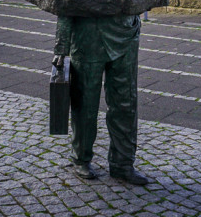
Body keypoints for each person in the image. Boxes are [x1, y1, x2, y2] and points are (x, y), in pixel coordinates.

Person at [53, 13, 149, 186]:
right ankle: (81, 158)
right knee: (85, 103)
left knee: (126, 102)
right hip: (88, 36)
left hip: (125, 33)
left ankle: (123, 163)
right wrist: (61, 46)